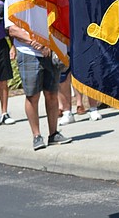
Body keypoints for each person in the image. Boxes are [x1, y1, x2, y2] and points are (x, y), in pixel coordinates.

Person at [7, 22, 72, 150]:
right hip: (28, 53)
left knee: (52, 94)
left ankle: (53, 134)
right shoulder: (12, 1)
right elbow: (13, 30)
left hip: (50, 51)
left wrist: (47, 43)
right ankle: (36, 136)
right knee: (32, 96)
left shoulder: (44, 1)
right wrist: (37, 42)